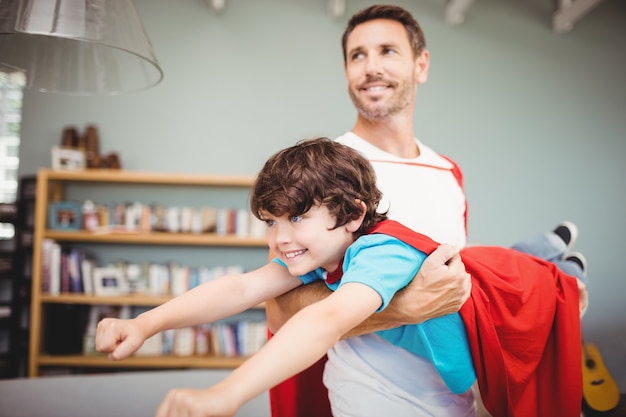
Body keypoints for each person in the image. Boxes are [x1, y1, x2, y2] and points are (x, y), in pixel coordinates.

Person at [95, 138, 587, 417]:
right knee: (495, 258)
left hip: (496, 294)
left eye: (296, 218)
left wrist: (227, 393)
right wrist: (146, 323)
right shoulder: (316, 252)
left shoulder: (380, 252)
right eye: (271, 222)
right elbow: (241, 288)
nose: (280, 239)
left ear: (352, 214)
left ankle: (557, 259)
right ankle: (545, 251)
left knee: (538, 278)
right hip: (469, 280)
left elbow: (328, 320)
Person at [267, 5, 473, 417]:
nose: (371, 67)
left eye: (387, 51)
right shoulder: (325, 170)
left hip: (458, 402)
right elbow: (277, 310)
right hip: (367, 402)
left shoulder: (449, 172)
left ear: (421, 64)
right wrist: (401, 308)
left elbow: (458, 286)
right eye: (357, 55)